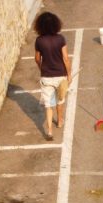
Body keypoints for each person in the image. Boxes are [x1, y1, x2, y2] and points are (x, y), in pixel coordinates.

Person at [34, 12, 71, 141]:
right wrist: (69, 75)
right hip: (60, 75)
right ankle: (60, 121)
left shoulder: (39, 41)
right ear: (56, 24)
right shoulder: (60, 39)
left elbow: (37, 59)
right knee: (60, 100)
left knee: (48, 105)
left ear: (40, 25)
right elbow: (66, 59)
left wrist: (41, 68)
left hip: (46, 77)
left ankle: (49, 130)